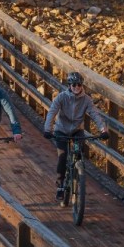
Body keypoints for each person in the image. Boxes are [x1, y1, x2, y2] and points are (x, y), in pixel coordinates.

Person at [44, 71, 108, 201]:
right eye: (74, 84)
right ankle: (60, 185)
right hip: (61, 130)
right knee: (62, 156)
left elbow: (95, 114)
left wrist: (103, 130)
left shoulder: (86, 100)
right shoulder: (61, 97)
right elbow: (52, 113)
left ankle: (78, 173)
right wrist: (47, 129)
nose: (76, 87)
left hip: (77, 130)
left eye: (79, 84)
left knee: (79, 152)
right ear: (69, 85)